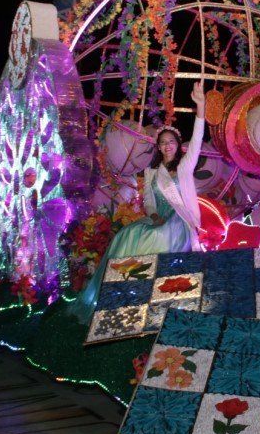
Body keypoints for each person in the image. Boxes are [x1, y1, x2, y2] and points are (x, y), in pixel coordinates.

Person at [74, 80, 207, 323]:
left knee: (156, 238)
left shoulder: (185, 167)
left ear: (178, 145)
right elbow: (149, 201)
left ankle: (151, 296)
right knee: (125, 235)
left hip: (180, 222)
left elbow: (197, 141)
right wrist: (153, 215)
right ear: (159, 147)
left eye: (171, 141)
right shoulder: (151, 172)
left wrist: (201, 108)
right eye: (163, 142)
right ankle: (118, 297)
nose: (167, 145)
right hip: (158, 218)